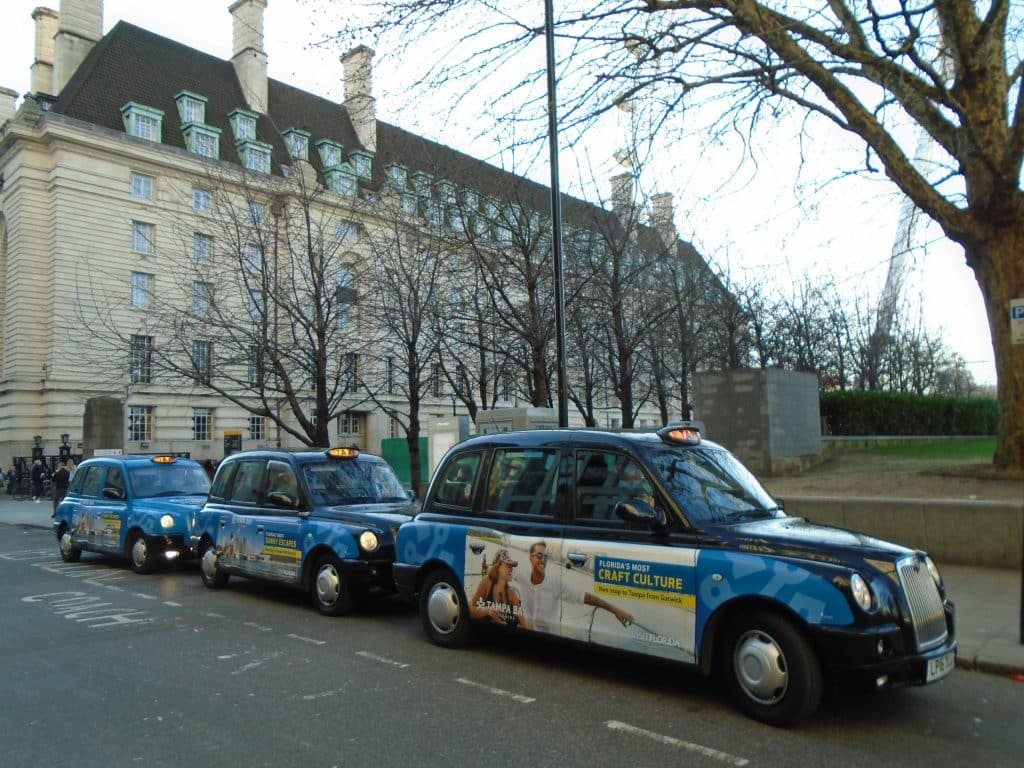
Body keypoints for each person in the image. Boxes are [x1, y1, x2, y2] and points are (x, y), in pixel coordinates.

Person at [516, 540, 634, 634]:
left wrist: (615, 610)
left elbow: (584, 597)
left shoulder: (555, 584)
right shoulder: (522, 576)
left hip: (549, 639)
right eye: (539, 555)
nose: (543, 560)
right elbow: (501, 572)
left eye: (546, 557)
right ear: (530, 558)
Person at [469, 549, 525, 628]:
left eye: (509, 566)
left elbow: (521, 620)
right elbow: (470, 610)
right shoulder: (486, 585)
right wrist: (487, 611)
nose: (510, 570)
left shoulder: (513, 593)